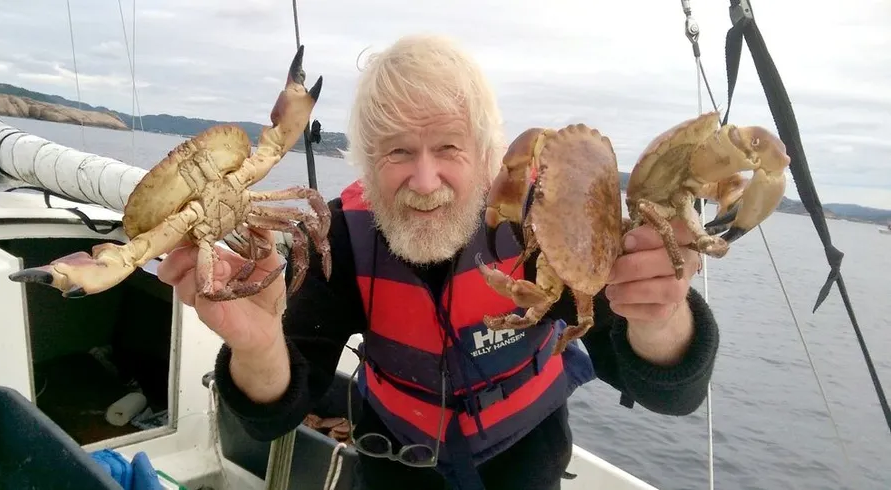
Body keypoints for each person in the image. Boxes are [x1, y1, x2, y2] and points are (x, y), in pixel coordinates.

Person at [156, 34, 719, 490]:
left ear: (486, 153)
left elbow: (671, 392)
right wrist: (256, 347)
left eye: (448, 147)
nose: (425, 183)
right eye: (398, 151)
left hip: (527, 468)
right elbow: (271, 413)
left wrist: (661, 315)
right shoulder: (338, 236)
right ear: (367, 163)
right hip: (392, 469)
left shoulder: (543, 219)